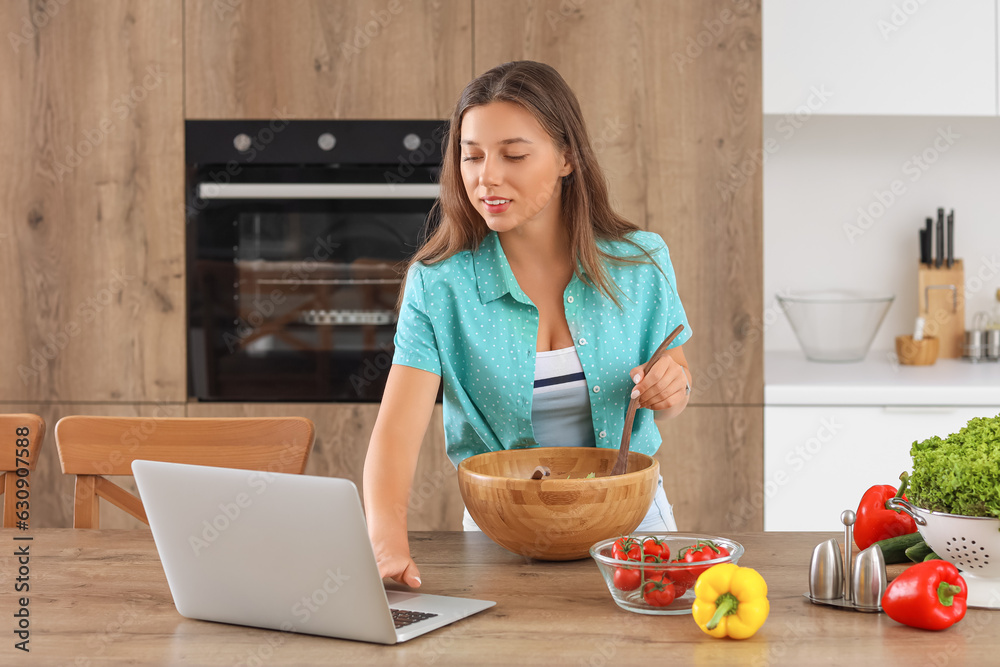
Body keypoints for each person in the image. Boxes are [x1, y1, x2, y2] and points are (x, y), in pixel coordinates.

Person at [362, 61, 692, 589]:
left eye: (513, 155)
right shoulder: (438, 284)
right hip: (504, 532)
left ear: (566, 157)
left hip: (633, 525)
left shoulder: (641, 262)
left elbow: (673, 385)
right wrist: (387, 549)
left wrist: (670, 389)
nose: (486, 176)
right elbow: (395, 435)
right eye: (471, 156)